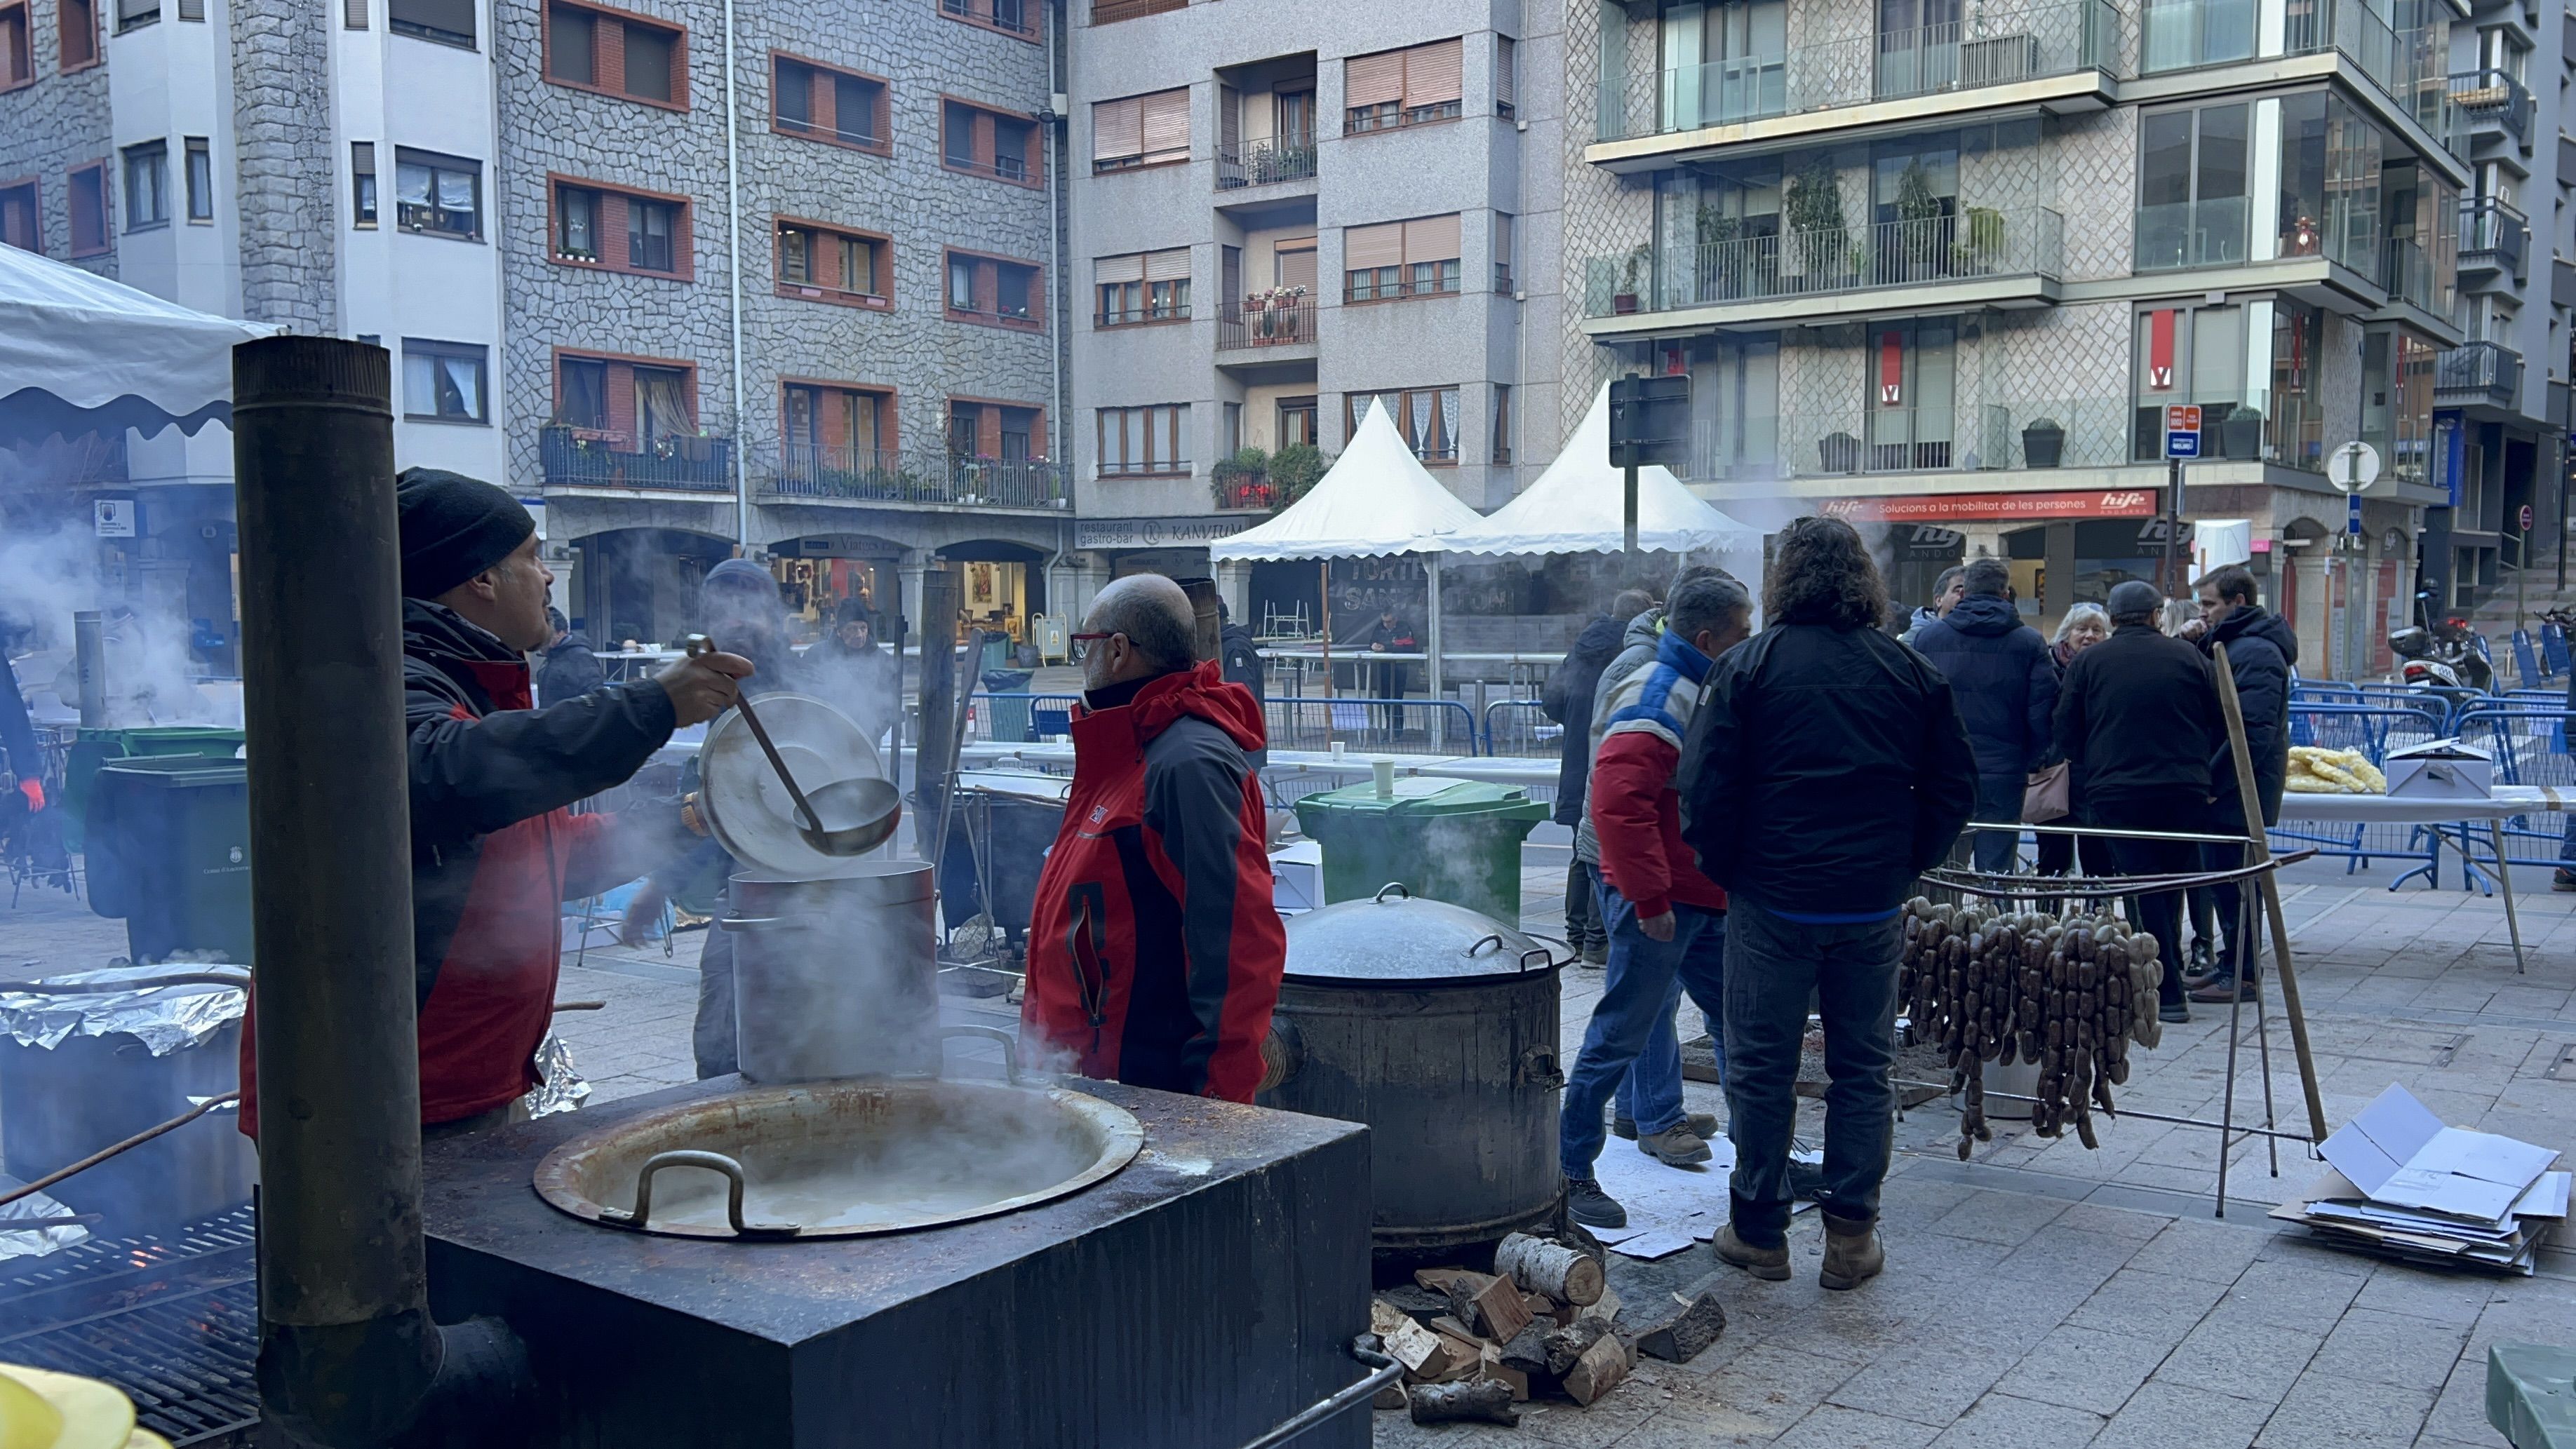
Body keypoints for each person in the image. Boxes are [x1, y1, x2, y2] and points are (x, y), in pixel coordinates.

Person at [236, 469, 751, 1139]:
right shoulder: (378, 680)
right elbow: (446, 772)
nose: (548, 578)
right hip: (375, 1104)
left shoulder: (474, 682)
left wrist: (689, 819)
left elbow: (543, 860)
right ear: (481, 578)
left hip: (464, 1087)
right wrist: (650, 707)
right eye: (533, 557)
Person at [1677, 516, 1975, 1290]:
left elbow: (1704, 790)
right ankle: (1851, 1236)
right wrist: (1904, 863)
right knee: (1863, 1069)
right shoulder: (1908, 672)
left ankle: (1760, 1232)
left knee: (1760, 1067)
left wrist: (1733, 870)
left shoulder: (1746, 666)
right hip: (1869, 904)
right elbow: (1953, 790)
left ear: (1785, 582)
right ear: (1865, 582)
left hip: (1771, 899)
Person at [1020, 574, 1285, 1101]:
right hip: (1092, 1079)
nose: (1081, 662)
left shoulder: (1186, 764)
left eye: (1085, 645)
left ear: (1118, 651)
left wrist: (1218, 1112)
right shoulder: (1130, 750)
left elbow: (1237, 946)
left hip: (1148, 1091)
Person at [1560, 575, 1755, 1226]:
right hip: (1663, 901)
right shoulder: (1660, 691)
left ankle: (1762, 1160)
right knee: (1621, 1032)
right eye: (1741, 631)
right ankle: (1570, 1171)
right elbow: (1617, 801)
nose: (1748, 642)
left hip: (1699, 894)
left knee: (1738, 1028)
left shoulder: (1697, 683)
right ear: (1708, 638)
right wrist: (1648, 898)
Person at [1577, 568, 1731, 1143]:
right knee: (1650, 998)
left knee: (1656, 996)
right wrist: (1646, 886)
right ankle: (1658, 1119)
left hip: (1647, 853)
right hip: (1625, 854)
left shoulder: (1676, 665)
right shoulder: (1645, 671)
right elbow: (1619, 787)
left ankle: (1641, 1111)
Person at [2051, 579, 2222, 1026]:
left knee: (2142, 884)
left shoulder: (2089, 662)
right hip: (2184, 788)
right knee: (2169, 881)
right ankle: (2168, 976)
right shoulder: (2191, 658)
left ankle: (2164, 988)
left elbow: (2066, 729)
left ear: (2114, 618)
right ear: (2156, 616)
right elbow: (2222, 723)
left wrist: (2093, 765)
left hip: (2118, 790)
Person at [664, 558, 805, 1079]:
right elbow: (716, 804)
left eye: (751, 605)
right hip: (738, 891)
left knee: (806, 1043)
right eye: (724, 608)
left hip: (813, 896)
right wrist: (662, 884)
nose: (738, 620)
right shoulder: (715, 693)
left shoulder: (805, 684)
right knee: (720, 1044)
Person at [2181, 563, 2297, 1004]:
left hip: (2238, 791)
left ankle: (2243, 974)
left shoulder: (2257, 652)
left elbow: (2250, 729)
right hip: (2228, 786)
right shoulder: (2231, 644)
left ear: (2238, 603)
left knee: (2236, 883)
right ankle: (2232, 964)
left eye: (2210, 604)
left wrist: (2215, 781)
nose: (2203, 613)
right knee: (2222, 879)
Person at [1908, 558, 2056, 875]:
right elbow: (2042, 710)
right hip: (2004, 772)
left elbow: (1915, 708)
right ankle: (2000, 924)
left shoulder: (1928, 640)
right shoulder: (2029, 642)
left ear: (1966, 591)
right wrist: (2032, 759)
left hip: (1945, 771)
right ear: (2006, 593)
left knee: (1948, 872)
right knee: (1998, 871)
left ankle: (1947, 925)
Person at [1545, 588, 1652, 965]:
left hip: (1576, 755)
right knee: (1603, 850)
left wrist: (1576, 721)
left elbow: (1551, 702)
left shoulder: (1581, 647)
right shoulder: (1635, 657)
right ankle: (1595, 941)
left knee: (1582, 848)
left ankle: (1575, 936)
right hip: (1607, 758)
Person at [2034, 604, 2112, 884]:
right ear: (2067, 634)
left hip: (2094, 777)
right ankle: (2047, 922)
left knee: (2099, 860)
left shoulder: (2110, 669)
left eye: (2097, 630)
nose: (2090, 635)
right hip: (2053, 774)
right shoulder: (2047, 666)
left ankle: (2097, 923)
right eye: (2082, 629)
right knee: (2052, 861)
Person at [805, 597, 902, 750]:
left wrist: (872, 733)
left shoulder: (882, 661)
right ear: (839, 631)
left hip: (866, 741)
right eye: (851, 629)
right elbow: (806, 696)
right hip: (824, 741)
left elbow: (890, 705)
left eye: (863, 628)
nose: (859, 635)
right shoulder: (817, 656)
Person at [1216, 598, 1268, 771]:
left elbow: (1240, 699)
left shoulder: (1234, 648)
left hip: (1243, 747)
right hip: (1239, 746)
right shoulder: (1228, 646)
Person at [1346, 607, 1415, 736]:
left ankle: (1397, 730)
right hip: (1383, 668)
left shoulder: (1404, 627)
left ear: (1396, 619)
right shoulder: (1379, 628)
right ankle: (1389, 728)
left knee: (1397, 699)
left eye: (1388, 621)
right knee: (1384, 698)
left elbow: (1410, 646)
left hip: (1400, 668)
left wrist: (1386, 648)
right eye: (1384, 621)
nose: (1386, 624)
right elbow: (1373, 641)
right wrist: (1373, 646)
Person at [535, 605, 605, 707]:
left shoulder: (581, 657)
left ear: (560, 633)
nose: (541, 639)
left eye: (546, 634)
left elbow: (595, 696)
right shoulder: (551, 657)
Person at [1899, 565, 1967, 642]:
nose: (1965, 596)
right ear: (1938, 600)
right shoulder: (1915, 638)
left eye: (1970, 592)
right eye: (1958, 591)